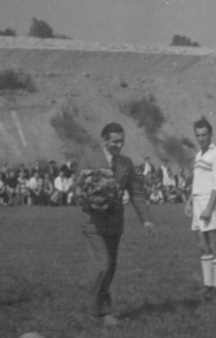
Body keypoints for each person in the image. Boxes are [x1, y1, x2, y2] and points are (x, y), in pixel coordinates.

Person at [77, 122, 154, 327]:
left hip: (115, 223)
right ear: (104, 140)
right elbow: (79, 189)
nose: (119, 145)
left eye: (122, 141)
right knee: (102, 263)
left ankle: (103, 310)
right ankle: (96, 311)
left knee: (109, 267)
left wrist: (145, 219)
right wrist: (95, 200)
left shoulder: (126, 164)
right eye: (114, 141)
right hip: (93, 223)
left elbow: (136, 193)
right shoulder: (89, 158)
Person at [186, 118, 216, 296]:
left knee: (215, 244)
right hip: (197, 203)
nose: (201, 138)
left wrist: (209, 208)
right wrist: (189, 201)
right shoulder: (199, 155)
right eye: (198, 135)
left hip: (210, 203)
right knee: (203, 245)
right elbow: (198, 181)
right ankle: (208, 284)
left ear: (210, 134)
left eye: (204, 135)